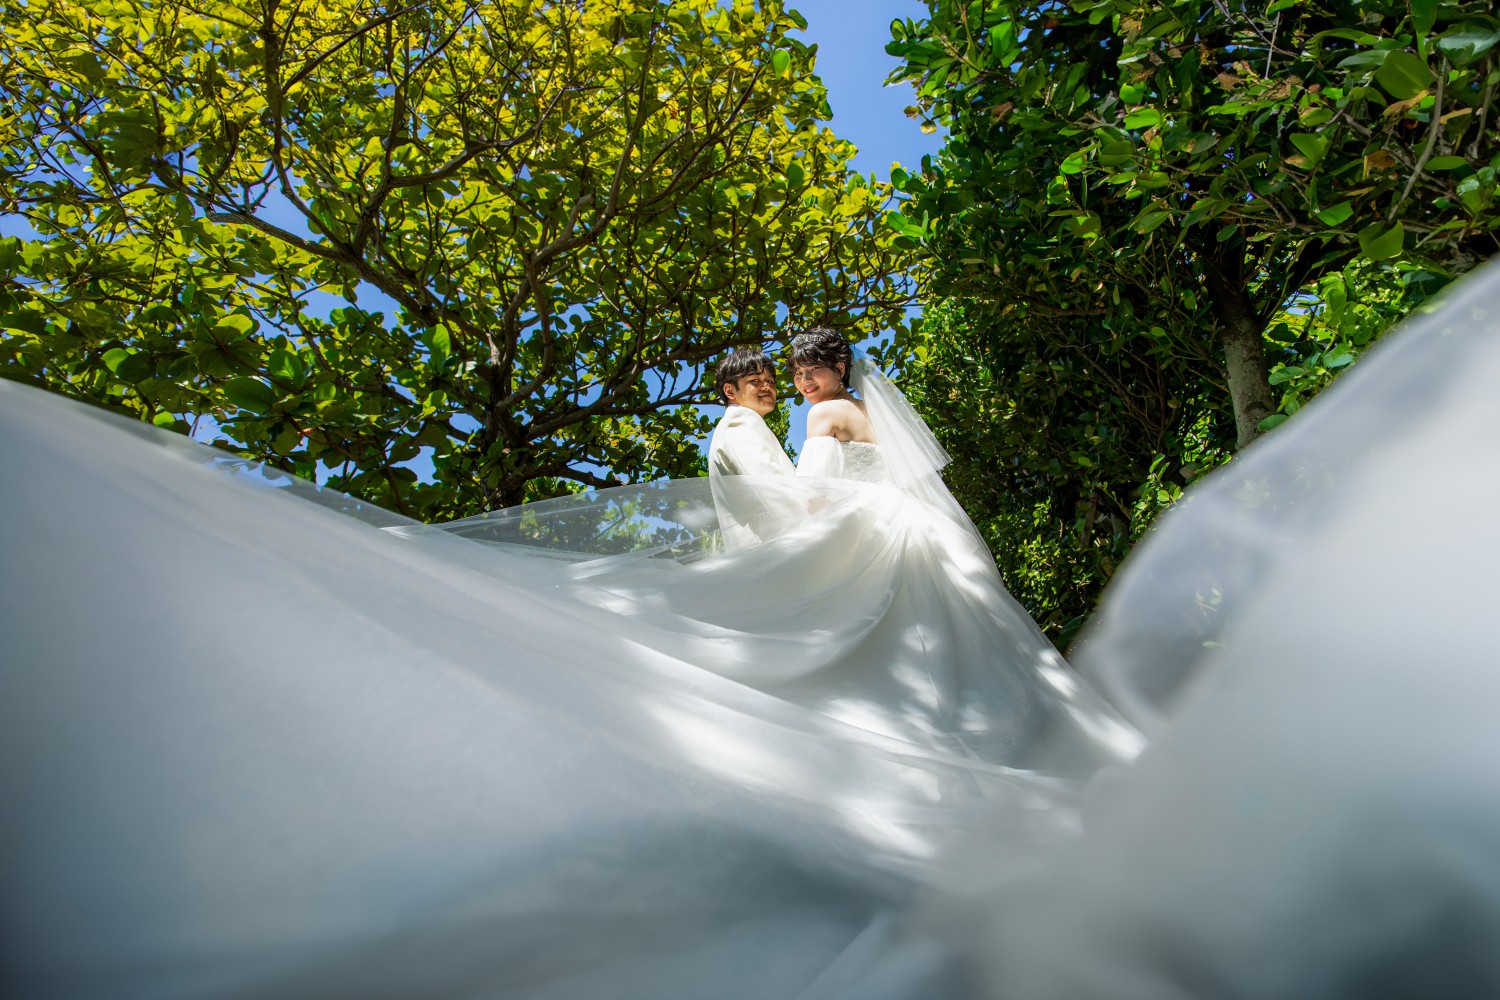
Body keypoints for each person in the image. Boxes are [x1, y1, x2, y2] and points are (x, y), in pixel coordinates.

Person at [705, 348, 797, 551]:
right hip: (775, 549)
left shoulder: (741, 422)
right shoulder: (740, 421)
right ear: (730, 391)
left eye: (771, 382)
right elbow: (772, 489)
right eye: (755, 381)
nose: (767, 387)